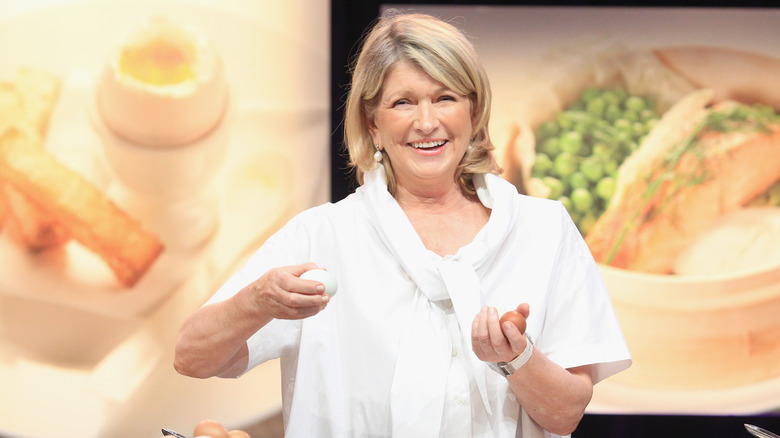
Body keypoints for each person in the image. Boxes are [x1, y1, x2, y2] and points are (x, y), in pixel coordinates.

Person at [174, 11, 631, 438]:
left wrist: (517, 357)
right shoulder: (323, 235)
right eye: (403, 102)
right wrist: (257, 300)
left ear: (473, 113)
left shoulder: (544, 231)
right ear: (373, 124)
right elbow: (192, 357)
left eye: (445, 98)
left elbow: (566, 413)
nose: (426, 122)